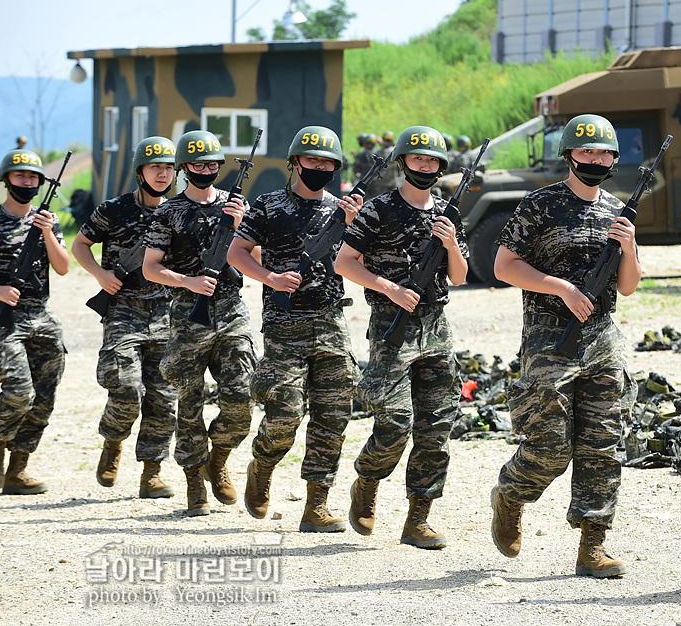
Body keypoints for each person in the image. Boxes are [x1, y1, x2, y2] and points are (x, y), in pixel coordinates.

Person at [489, 113, 640, 578]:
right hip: (549, 337)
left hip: (602, 338)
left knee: (602, 444)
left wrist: (629, 246)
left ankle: (592, 545)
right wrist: (559, 287)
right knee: (551, 445)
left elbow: (630, 285)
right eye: (586, 151)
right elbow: (504, 266)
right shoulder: (540, 205)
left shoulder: (617, 209)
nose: (595, 159)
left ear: (614, 158)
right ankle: (511, 494)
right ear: (569, 154)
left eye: (604, 153)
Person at [335, 124, 467, 550]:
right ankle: (367, 481)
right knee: (394, 421)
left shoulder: (447, 212)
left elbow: (460, 277)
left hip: (436, 329)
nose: (425, 166)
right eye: (418, 158)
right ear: (403, 162)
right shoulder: (378, 210)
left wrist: (451, 244)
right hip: (393, 326)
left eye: (432, 161)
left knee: (436, 427)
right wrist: (388, 287)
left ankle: (418, 519)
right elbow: (345, 263)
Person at [228, 126, 360, 532]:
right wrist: (269, 278)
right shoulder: (269, 206)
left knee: (333, 415)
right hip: (286, 327)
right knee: (284, 413)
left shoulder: (342, 209)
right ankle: (262, 466)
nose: (319, 168)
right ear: (295, 162)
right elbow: (237, 253)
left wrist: (354, 224)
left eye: (327, 163)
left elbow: (358, 260)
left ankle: (316, 506)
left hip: (332, 323)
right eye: (312, 160)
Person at [142, 129, 256, 518]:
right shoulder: (168, 212)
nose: (206, 170)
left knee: (241, 400)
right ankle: (194, 481)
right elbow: (151, 268)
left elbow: (254, 257)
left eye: (212, 164)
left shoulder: (236, 205)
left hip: (231, 309)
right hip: (187, 313)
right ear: (184, 169)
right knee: (188, 403)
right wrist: (187, 281)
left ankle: (217, 458)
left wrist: (243, 229)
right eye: (197, 165)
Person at [73, 137, 178, 499]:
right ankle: (113, 443)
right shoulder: (113, 209)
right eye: (155, 167)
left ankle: (152, 472)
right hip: (123, 312)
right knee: (126, 388)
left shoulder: (180, 210)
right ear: (140, 172)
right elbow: (80, 244)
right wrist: (99, 275)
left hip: (166, 313)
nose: (162, 174)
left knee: (164, 397)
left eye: (168, 167)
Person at [0, 149, 70, 494]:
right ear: (7, 180)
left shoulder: (47, 220)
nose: (28, 182)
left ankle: (17, 469)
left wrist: (47, 232)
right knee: (20, 391)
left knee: (44, 398)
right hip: (6, 319)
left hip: (41, 316)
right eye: (21, 177)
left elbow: (62, 268)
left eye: (33, 177)